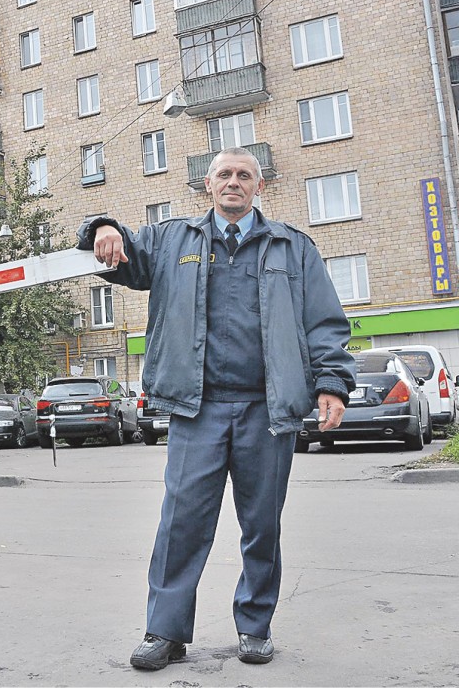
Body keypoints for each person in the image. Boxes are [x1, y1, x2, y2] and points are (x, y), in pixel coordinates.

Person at [76, 147, 355, 670]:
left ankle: (255, 627)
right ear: (208, 185)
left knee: (261, 526)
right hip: (196, 410)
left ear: (259, 187)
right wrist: (103, 225)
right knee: (180, 523)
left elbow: (325, 323)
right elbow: (121, 255)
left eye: (243, 175)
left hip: (266, 412)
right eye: (224, 174)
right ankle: (165, 631)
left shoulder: (294, 248)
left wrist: (332, 385)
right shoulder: (170, 238)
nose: (233, 182)